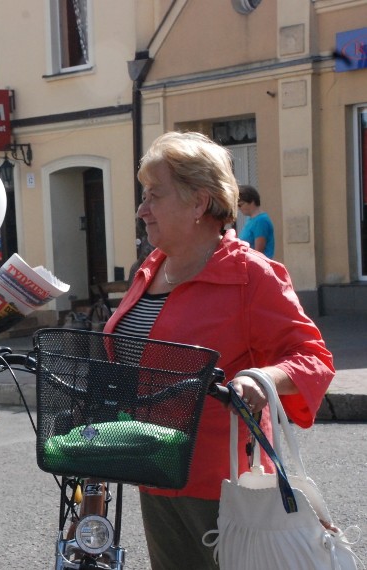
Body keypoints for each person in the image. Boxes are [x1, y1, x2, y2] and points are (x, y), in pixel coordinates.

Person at [104, 131, 333, 570]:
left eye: (155, 195)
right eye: (143, 195)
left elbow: (313, 359)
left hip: (222, 484)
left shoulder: (250, 275)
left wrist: (262, 379)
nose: (141, 209)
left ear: (198, 202)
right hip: (152, 472)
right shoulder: (149, 271)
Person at [237, 184, 275, 257]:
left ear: (252, 201)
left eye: (240, 205)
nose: (239, 208)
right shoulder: (250, 219)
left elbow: (258, 252)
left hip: (258, 266)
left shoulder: (261, 221)